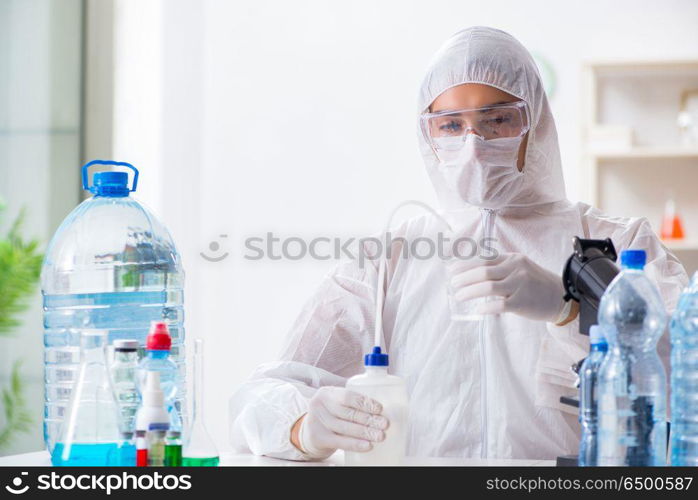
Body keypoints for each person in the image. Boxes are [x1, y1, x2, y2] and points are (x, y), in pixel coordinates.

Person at [228, 26, 688, 460]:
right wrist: (303, 426)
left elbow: (683, 379)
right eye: (451, 125)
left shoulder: (618, 241)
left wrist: (572, 309)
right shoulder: (389, 259)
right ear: (427, 132)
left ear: (536, 122)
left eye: (498, 119)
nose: (474, 144)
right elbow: (259, 395)